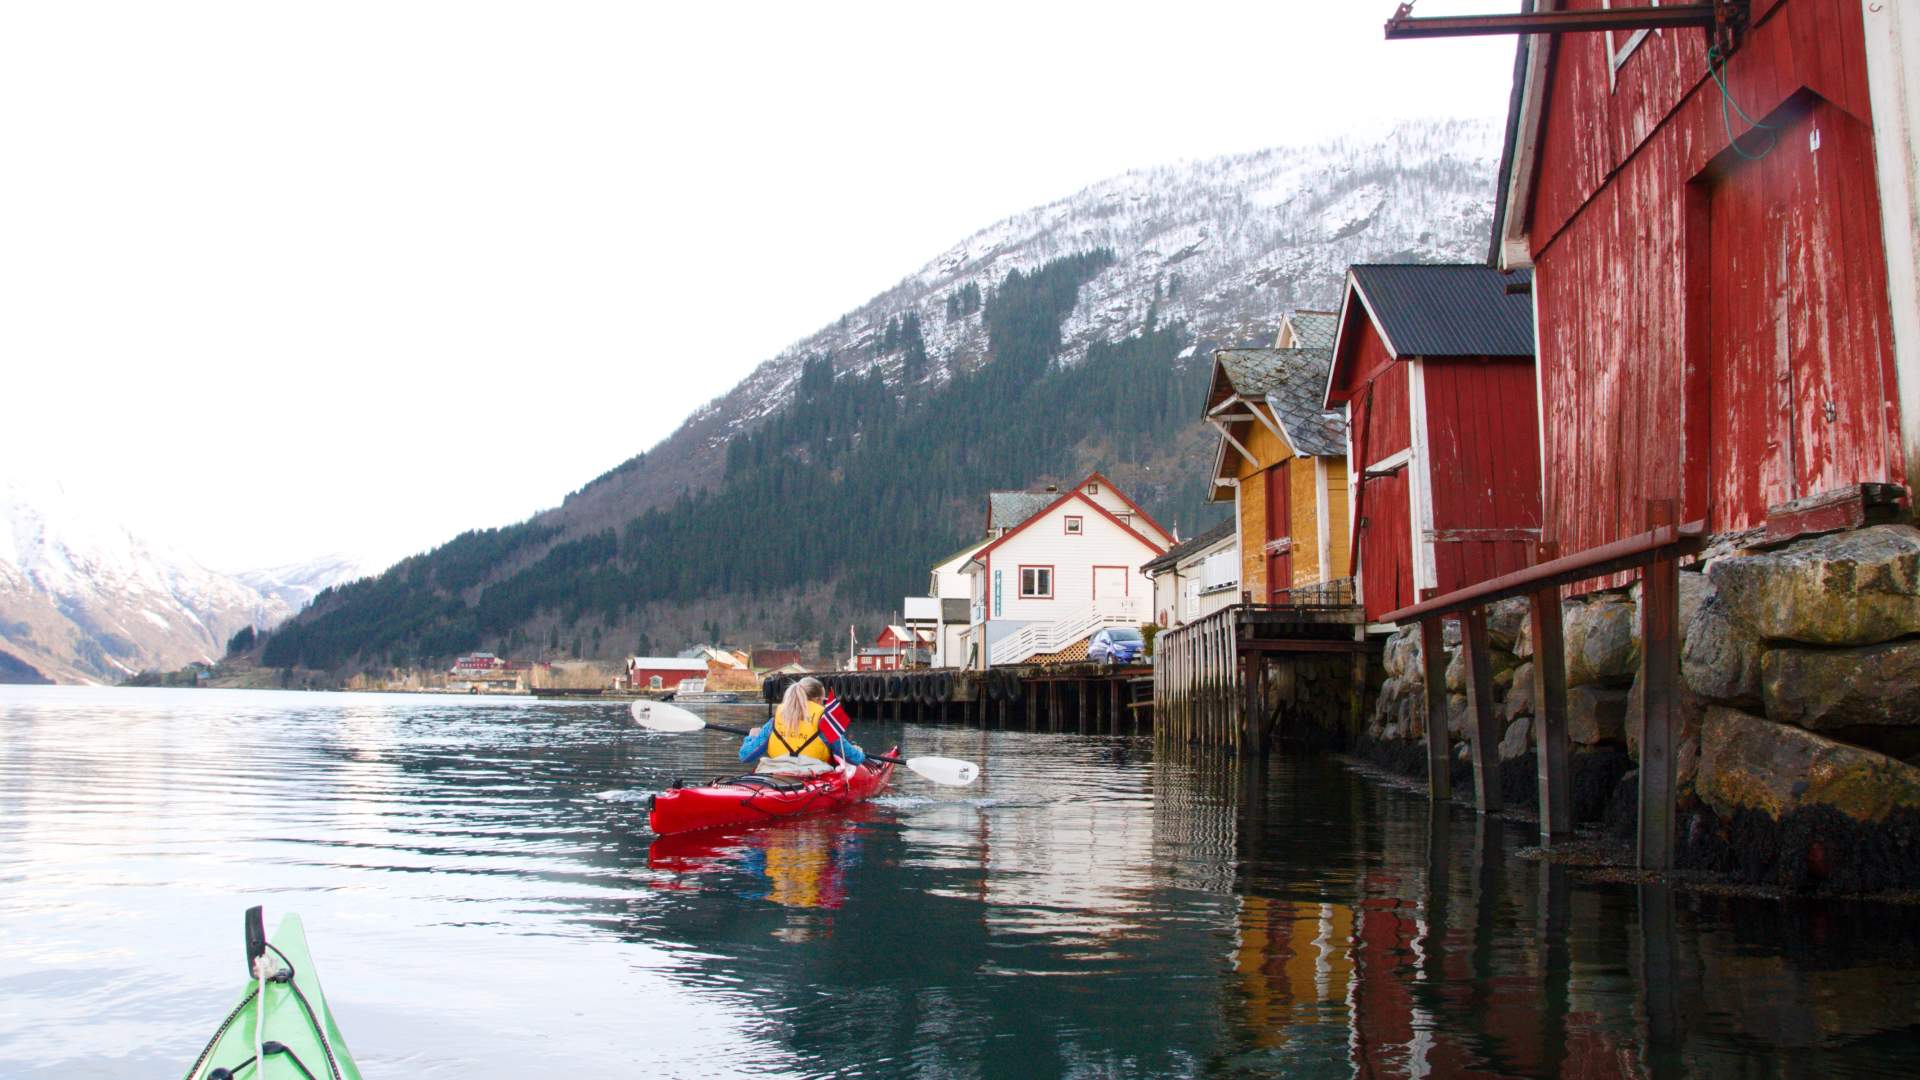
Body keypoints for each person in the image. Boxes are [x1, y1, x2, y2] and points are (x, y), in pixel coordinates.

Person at [739, 676, 866, 774]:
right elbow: (856, 759)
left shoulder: (774, 721)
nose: (823, 704)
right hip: (811, 775)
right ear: (816, 700)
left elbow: (745, 756)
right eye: (823, 700)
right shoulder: (825, 724)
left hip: (777, 773)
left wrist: (752, 737)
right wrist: (858, 751)